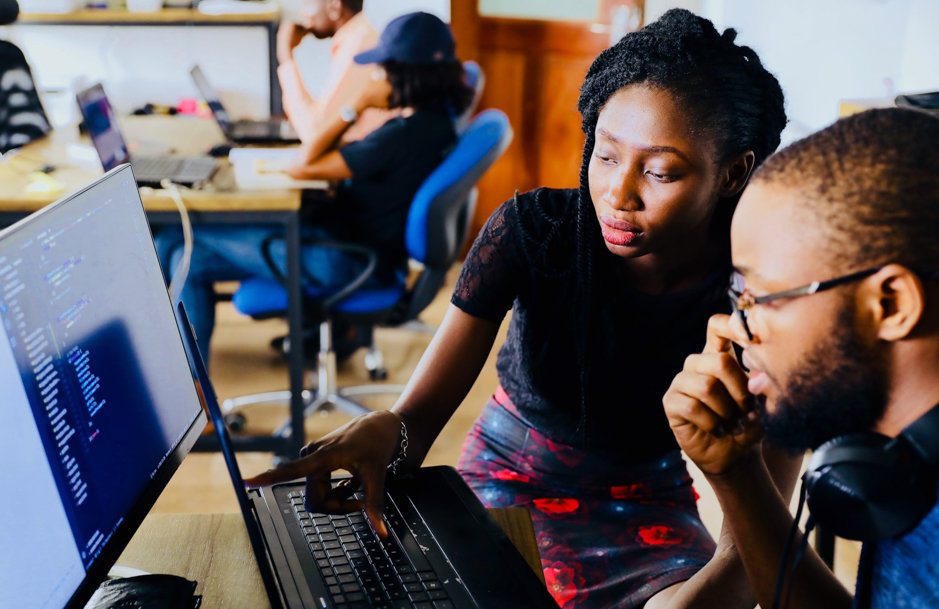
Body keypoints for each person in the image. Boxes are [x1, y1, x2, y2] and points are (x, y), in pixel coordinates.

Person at [246, 9, 792, 608]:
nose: (617, 193)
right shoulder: (535, 234)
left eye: (660, 171)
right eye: (605, 156)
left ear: (734, 172)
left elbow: (748, 549)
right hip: (507, 477)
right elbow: (417, 420)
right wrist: (390, 433)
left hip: (647, 502)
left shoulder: (763, 296)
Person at [663, 108, 939, 609]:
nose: (731, 328)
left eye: (761, 298)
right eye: (736, 294)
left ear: (891, 304)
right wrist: (737, 474)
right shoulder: (900, 464)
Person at [157, 12, 473, 363]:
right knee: (187, 256)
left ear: (404, 74)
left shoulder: (400, 136)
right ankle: (195, 389)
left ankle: (183, 383)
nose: (374, 76)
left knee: (176, 241)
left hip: (344, 260)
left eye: (381, 68)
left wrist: (355, 106)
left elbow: (303, 164)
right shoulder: (436, 124)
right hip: (359, 250)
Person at [277, 0, 394, 146]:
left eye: (308, 3)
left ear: (334, 6)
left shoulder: (357, 48)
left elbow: (315, 135)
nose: (303, 13)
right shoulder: (357, 38)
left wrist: (285, 57)